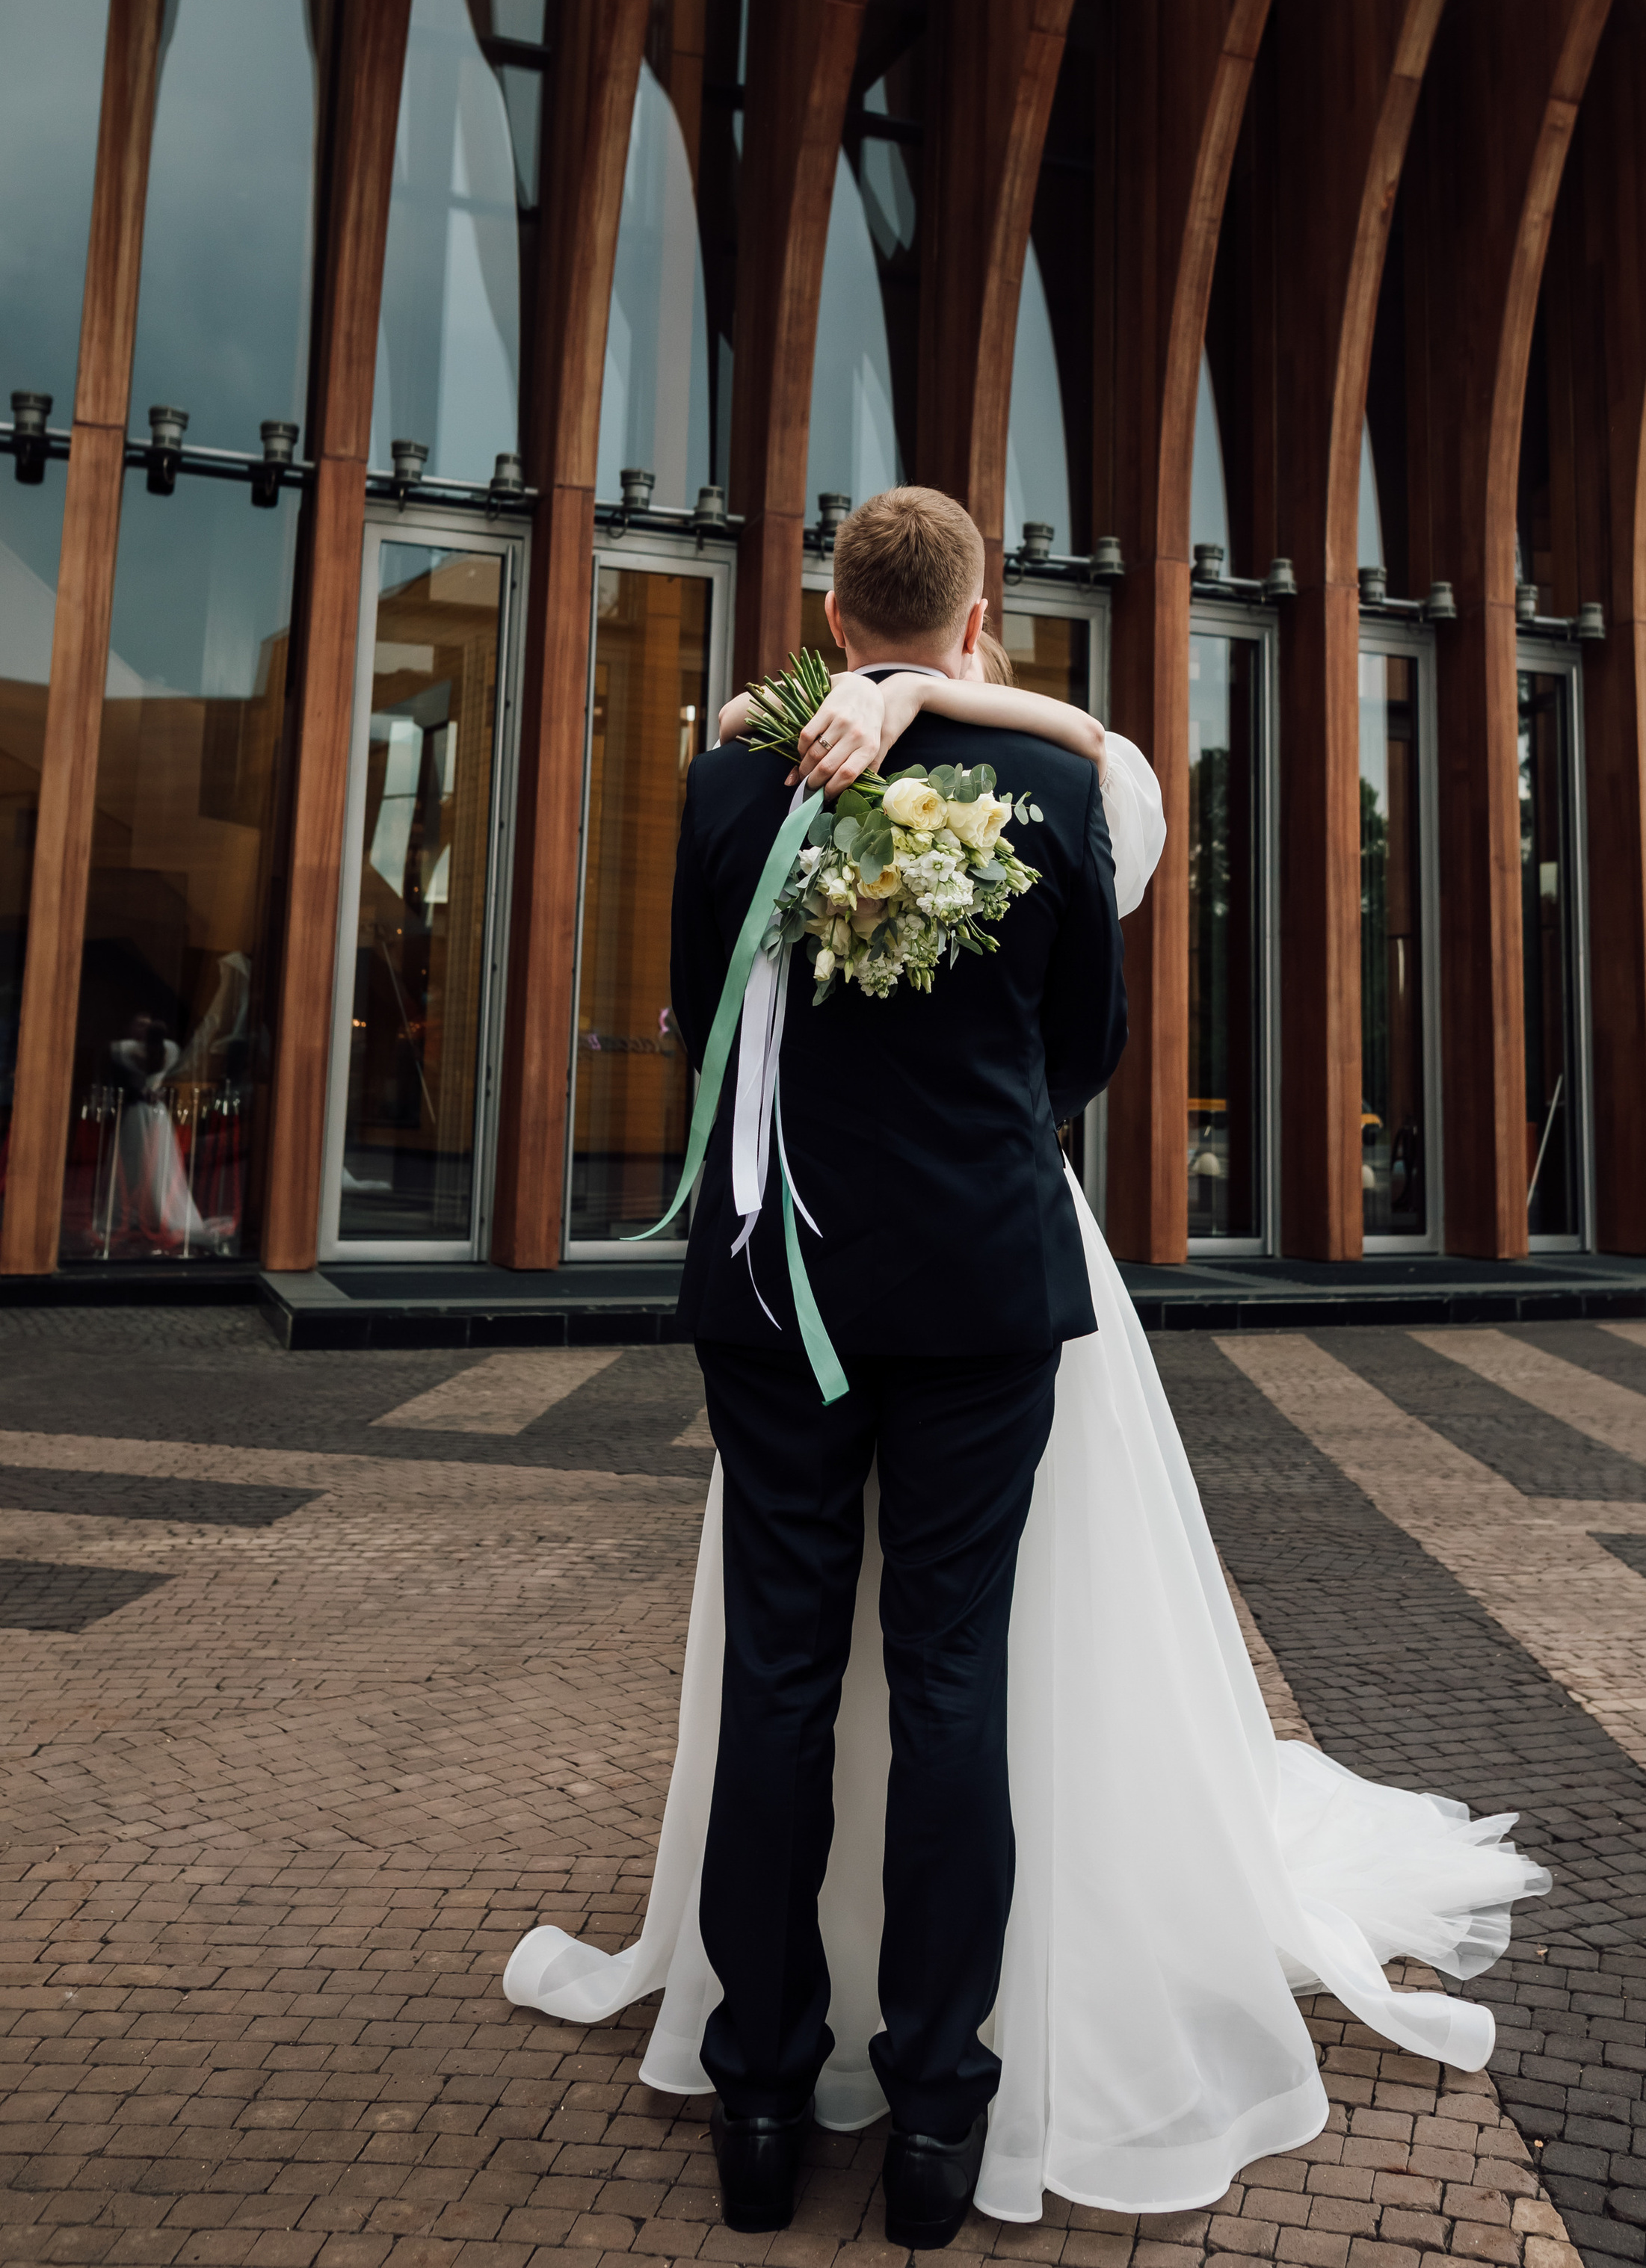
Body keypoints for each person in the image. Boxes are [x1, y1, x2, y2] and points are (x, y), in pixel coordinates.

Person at [505, 487, 1547, 2239]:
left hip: (781, 1291)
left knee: (776, 1672)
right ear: (977, 619)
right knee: (949, 1675)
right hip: (985, 1285)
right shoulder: (1061, 789)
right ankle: (936, 2117)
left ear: (831, 619)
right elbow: (1084, 1050)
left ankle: (757, 2100)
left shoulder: (723, 783)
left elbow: (699, 1020)